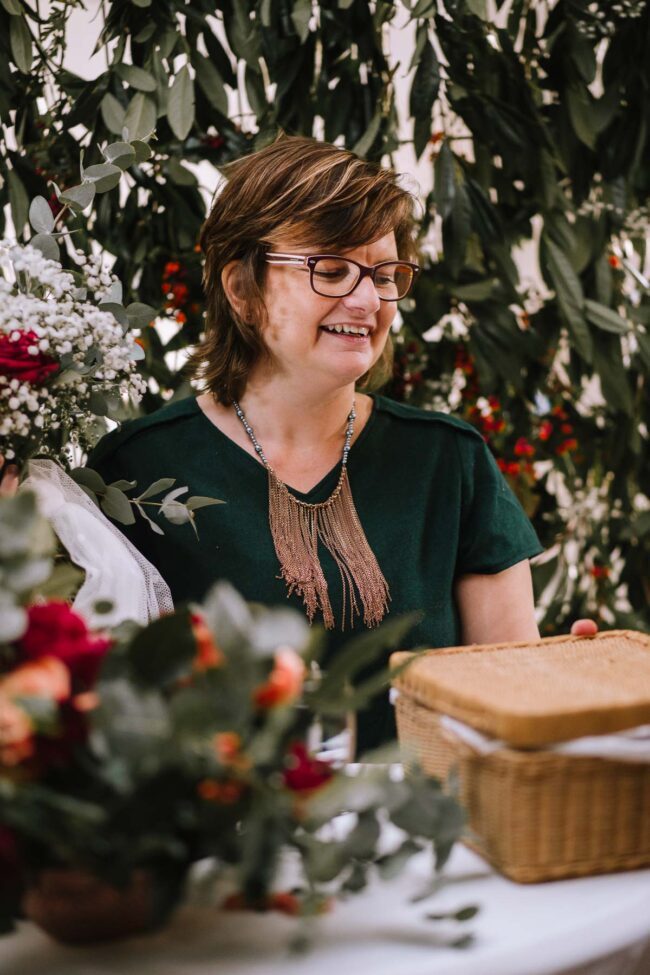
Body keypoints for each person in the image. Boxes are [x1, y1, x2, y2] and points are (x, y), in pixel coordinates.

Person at [73, 136, 594, 749]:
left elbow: (513, 701)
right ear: (242, 287)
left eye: (384, 273)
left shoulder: (448, 462)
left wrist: (565, 694)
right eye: (332, 269)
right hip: (225, 837)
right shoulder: (135, 470)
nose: (369, 300)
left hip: (429, 833)